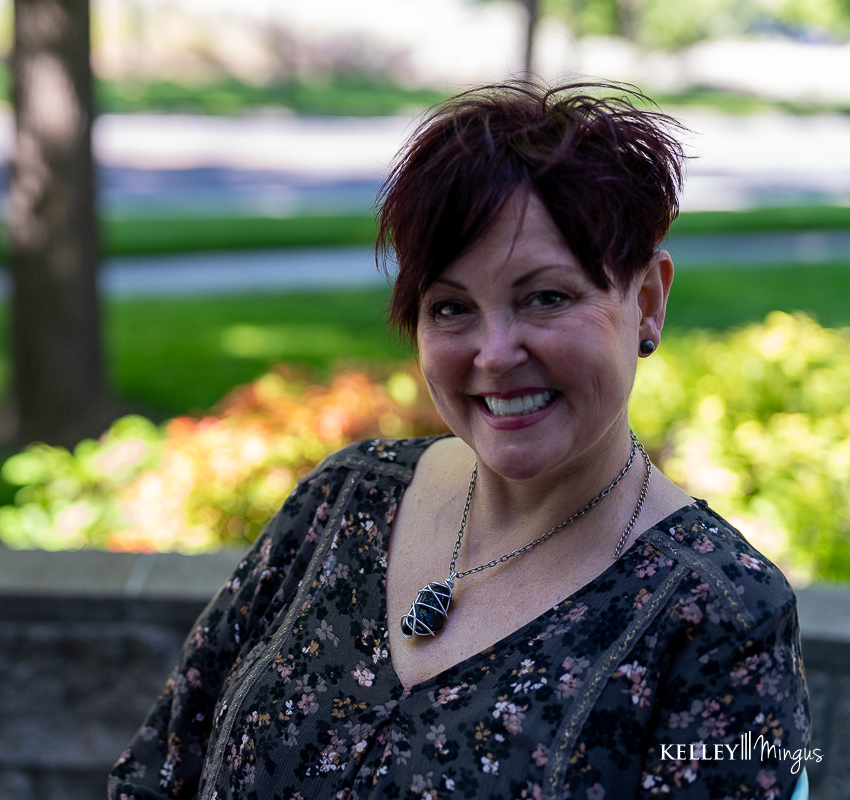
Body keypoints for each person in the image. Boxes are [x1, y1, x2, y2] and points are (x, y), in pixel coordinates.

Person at [108, 80, 811, 799]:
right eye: (451, 307)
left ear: (648, 302)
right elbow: (158, 773)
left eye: (546, 297)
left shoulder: (720, 612)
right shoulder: (344, 497)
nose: (495, 353)